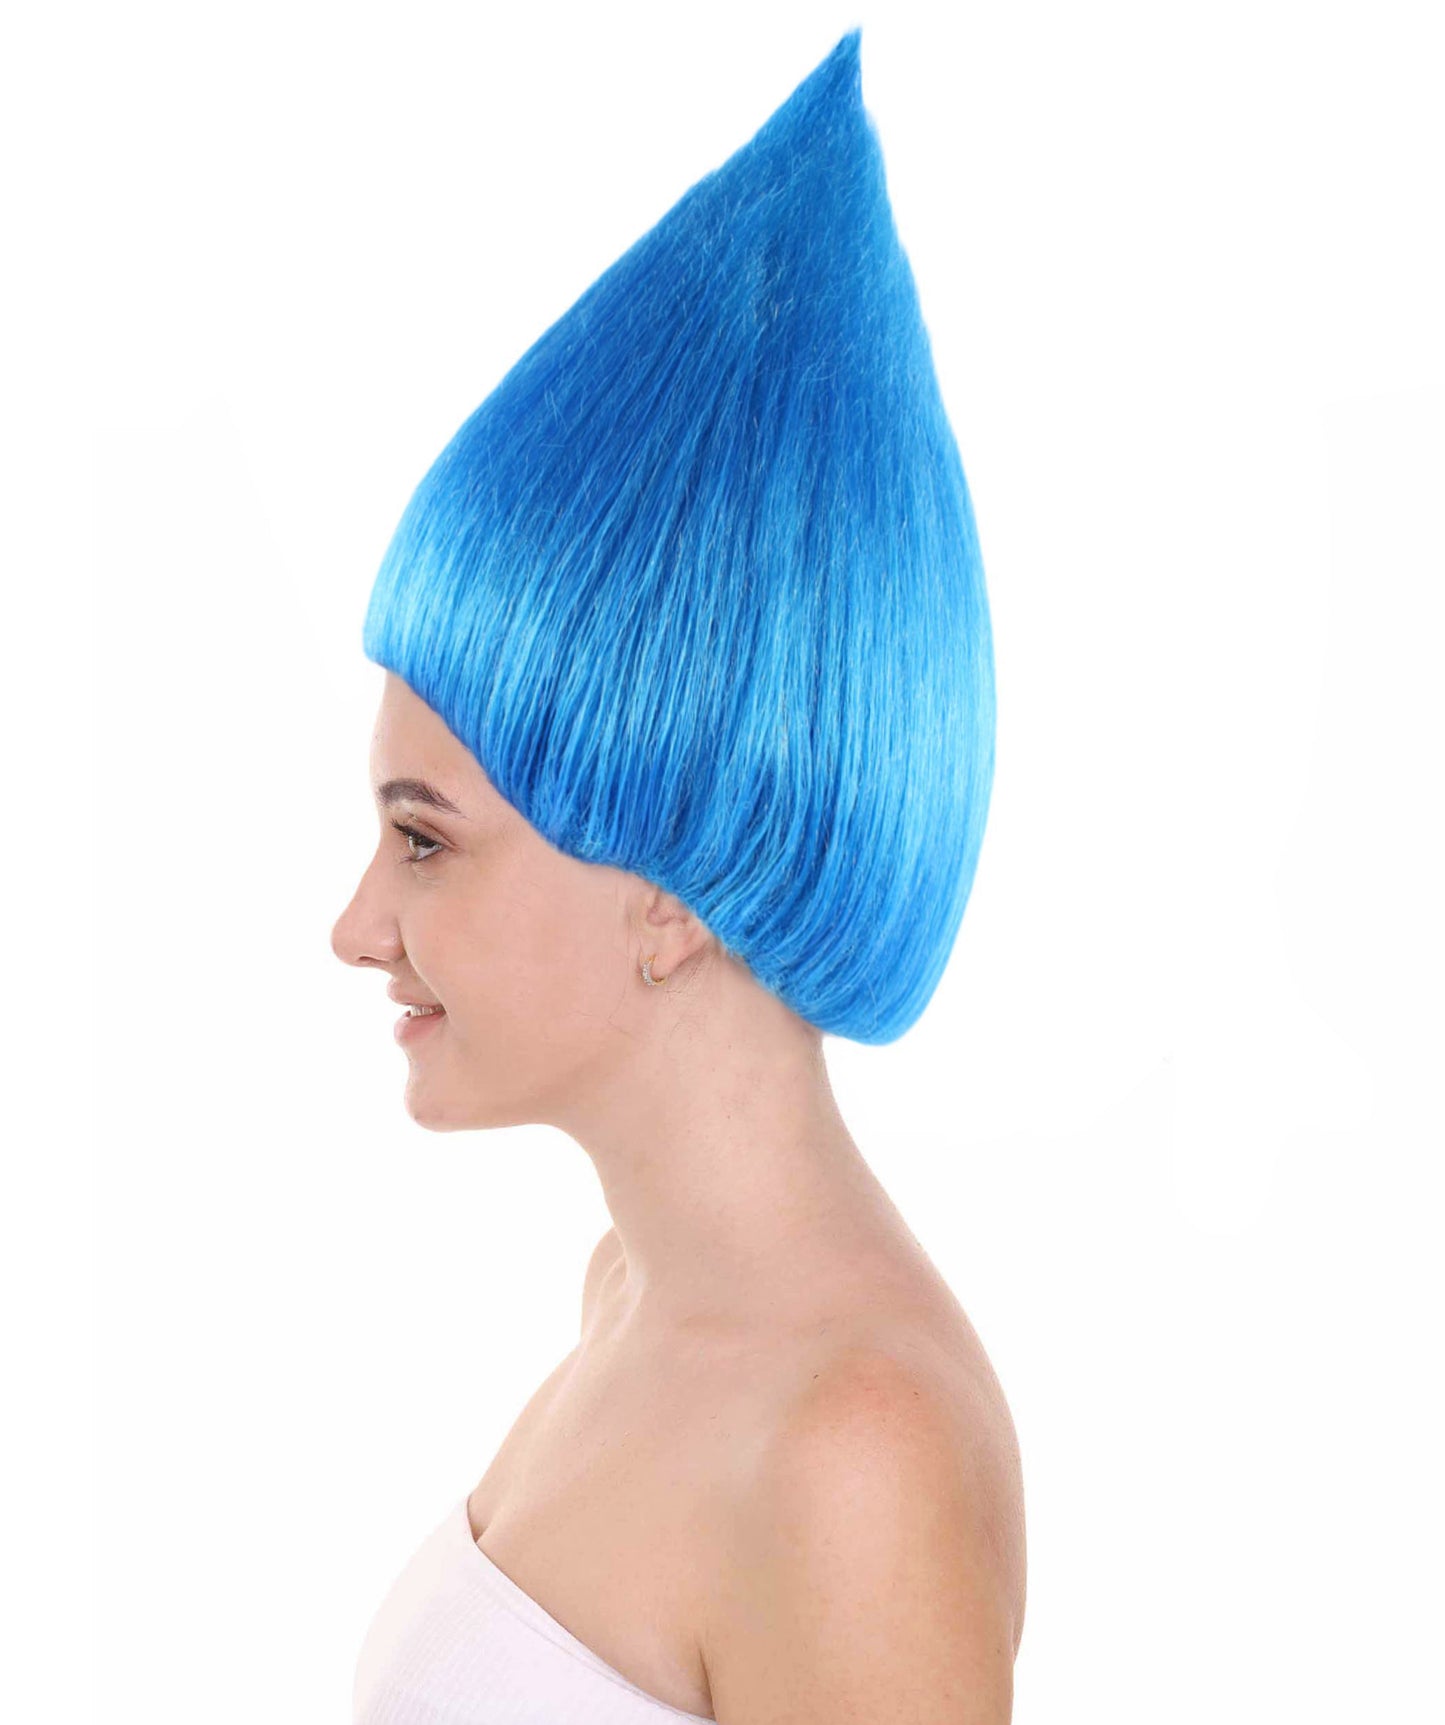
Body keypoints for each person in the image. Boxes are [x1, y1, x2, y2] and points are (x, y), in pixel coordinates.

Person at [333, 28, 1024, 1723]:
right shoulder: (632, 1297)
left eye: (425, 839)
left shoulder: (852, 1453)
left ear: (679, 885)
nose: (355, 925)